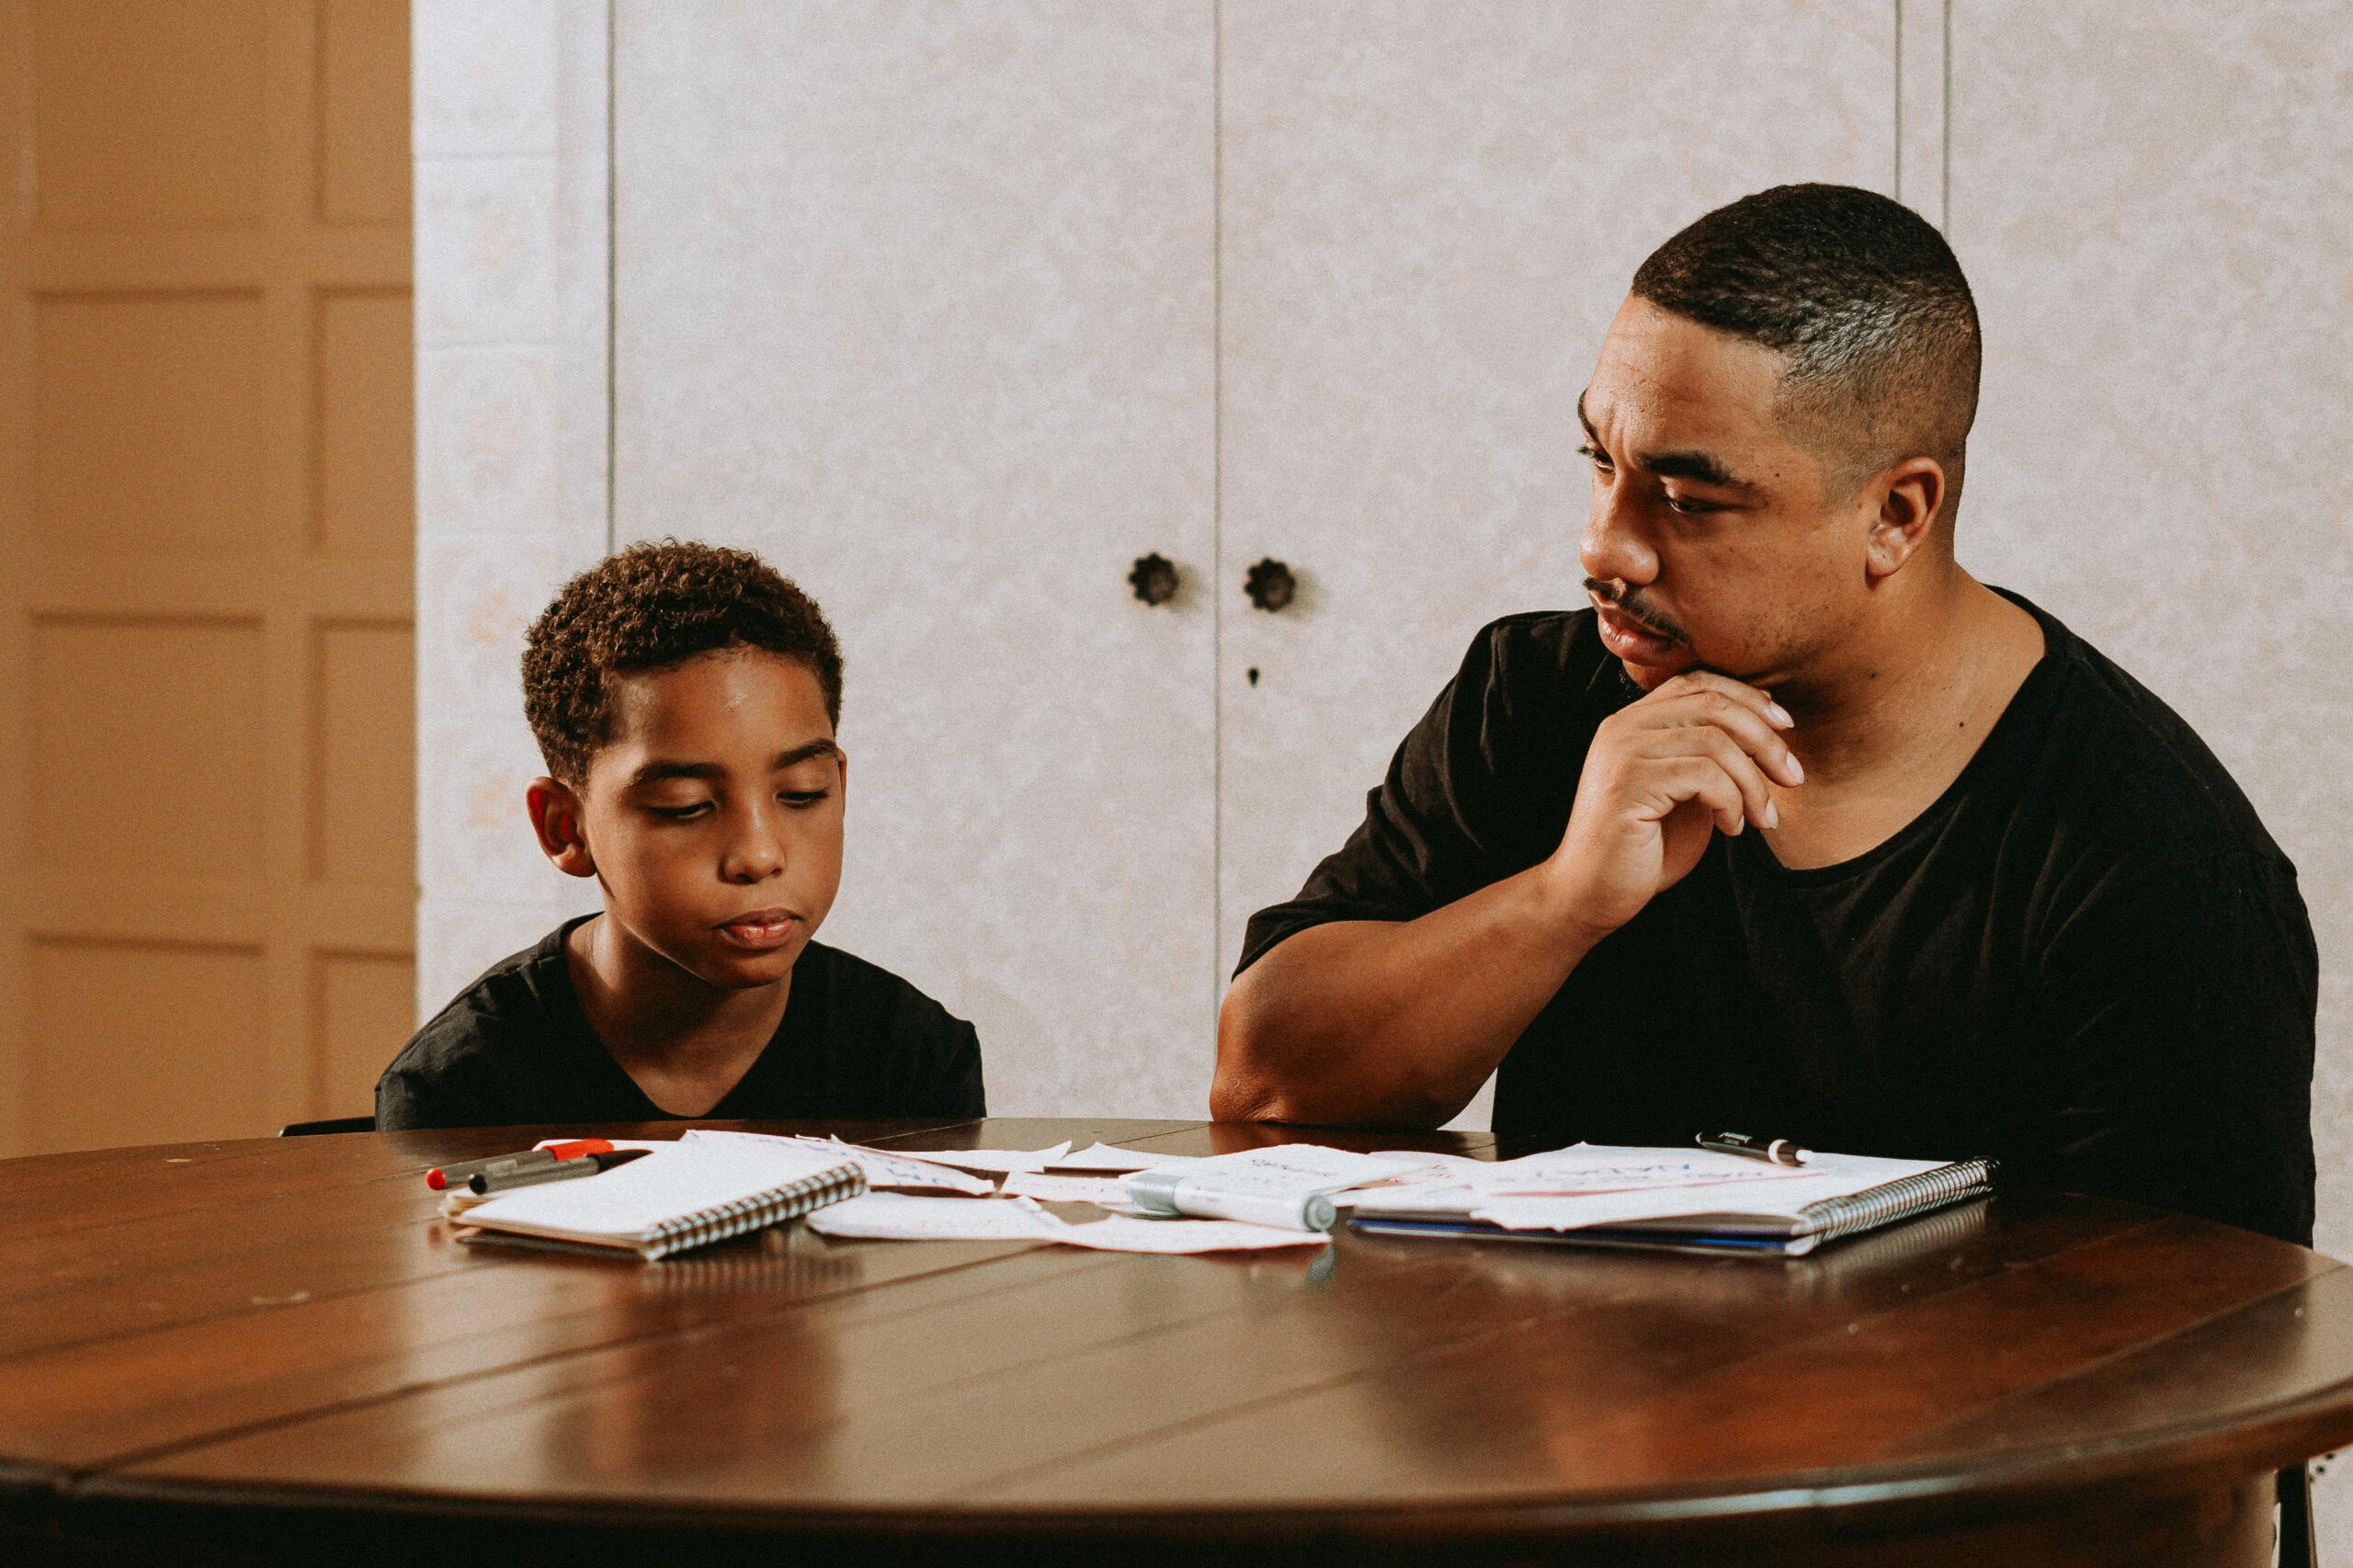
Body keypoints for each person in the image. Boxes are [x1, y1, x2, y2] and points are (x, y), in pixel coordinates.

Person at [1213, 184, 2315, 1244]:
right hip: (1539, 1378)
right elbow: (1262, 1084)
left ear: (1895, 515)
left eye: (1688, 499)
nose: (1603, 546)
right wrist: (1562, 900)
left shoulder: (2154, 860)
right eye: (1599, 460)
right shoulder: (1534, 695)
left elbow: (2199, 1338)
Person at [379, 540, 984, 1129]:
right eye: (686, 806)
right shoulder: (459, 1091)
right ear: (566, 827)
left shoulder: (913, 1059)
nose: (759, 855)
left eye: (802, 793)